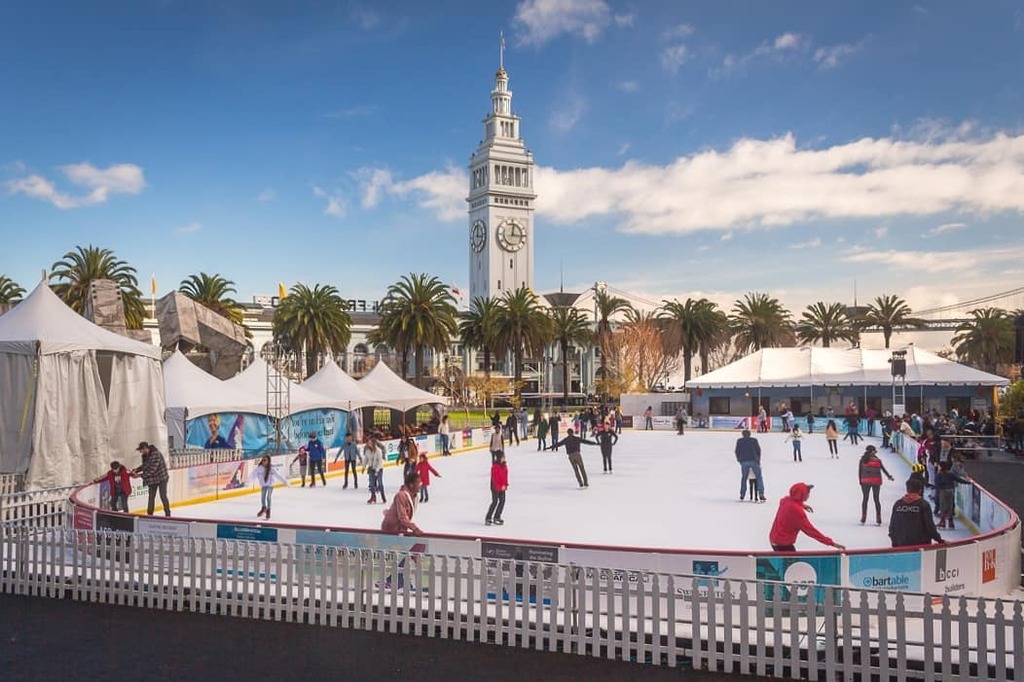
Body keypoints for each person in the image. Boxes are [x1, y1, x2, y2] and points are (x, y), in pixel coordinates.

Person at [769, 483, 844, 552]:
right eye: (807, 493)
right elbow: (812, 532)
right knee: (793, 562)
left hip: (773, 538)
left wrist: (802, 505)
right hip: (783, 544)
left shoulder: (786, 500)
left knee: (787, 561)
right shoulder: (797, 513)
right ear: (802, 495)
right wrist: (832, 543)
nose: (809, 495)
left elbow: (787, 500)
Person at [889, 478, 945, 547]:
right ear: (920, 490)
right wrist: (940, 540)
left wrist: (894, 542)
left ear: (907, 489)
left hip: (900, 545)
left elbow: (892, 526)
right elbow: (929, 527)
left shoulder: (898, 504)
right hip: (920, 546)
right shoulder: (923, 504)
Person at [858, 445, 895, 525]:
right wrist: (889, 477)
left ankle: (863, 517)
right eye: (875, 451)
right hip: (876, 481)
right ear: (872, 451)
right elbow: (883, 469)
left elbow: (859, 471)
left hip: (865, 481)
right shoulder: (878, 460)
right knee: (876, 499)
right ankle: (878, 518)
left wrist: (860, 481)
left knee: (865, 499)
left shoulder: (862, 460)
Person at [133, 441, 171, 517]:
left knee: (163, 496)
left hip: (162, 478)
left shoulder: (156, 454)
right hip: (152, 480)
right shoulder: (145, 455)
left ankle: (167, 514)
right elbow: (145, 466)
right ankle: (150, 514)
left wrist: (139, 475)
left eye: (141, 450)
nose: (140, 452)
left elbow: (152, 469)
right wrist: (136, 470)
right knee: (151, 497)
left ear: (145, 448)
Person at [249, 455, 289, 519]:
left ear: (268, 461)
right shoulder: (259, 468)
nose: (263, 461)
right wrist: (248, 482)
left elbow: (278, 475)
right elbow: (253, 475)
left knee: (268, 497)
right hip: (264, 485)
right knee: (262, 497)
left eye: (265, 460)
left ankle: (268, 510)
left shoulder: (271, 469)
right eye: (263, 460)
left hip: (270, 485)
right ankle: (263, 508)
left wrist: (285, 481)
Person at [933, 459, 970, 529]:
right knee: (950, 506)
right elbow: (958, 479)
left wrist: (937, 494)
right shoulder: (950, 474)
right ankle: (951, 522)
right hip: (950, 491)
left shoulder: (938, 475)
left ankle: (942, 522)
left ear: (941, 467)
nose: (938, 467)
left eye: (939, 466)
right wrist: (968, 482)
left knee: (943, 506)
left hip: (943, 491)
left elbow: (937, 485)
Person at [735, 429, 765, 502]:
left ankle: (742, 494)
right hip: (754, 460)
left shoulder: (739, 441)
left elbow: (737, 451)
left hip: (744, 461)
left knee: (744, 478)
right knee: (759, 477)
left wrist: (739, 460)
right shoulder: (754, 440)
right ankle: (761, 494)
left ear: (743, 434)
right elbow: (758, 450)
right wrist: (758, 460)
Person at [485, 452, 509, 525]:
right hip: (495, 487)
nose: (504, 458)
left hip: (502, 487)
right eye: (503, 457)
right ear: (499, 458)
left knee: (502, 501)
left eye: (504, 457)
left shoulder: (504, 466)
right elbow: (495, 478)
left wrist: (505, 485)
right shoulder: (495, 467)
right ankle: (488, 517)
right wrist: (499, 486)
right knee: (495, 502)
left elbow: (505, 476)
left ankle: (497, 516)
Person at [363, 434, 387, 504]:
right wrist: (363, 467)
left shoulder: (378, 451)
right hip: (371, 468)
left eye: (370, 442)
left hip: (379, 469)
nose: (368, 444)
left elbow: (380, 462)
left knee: (380, 483)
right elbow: (366, 459)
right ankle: (373, 497)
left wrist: (377, 470)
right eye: (368, 442)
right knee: (372, 484)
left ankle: (383, 496)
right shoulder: (367, 450)